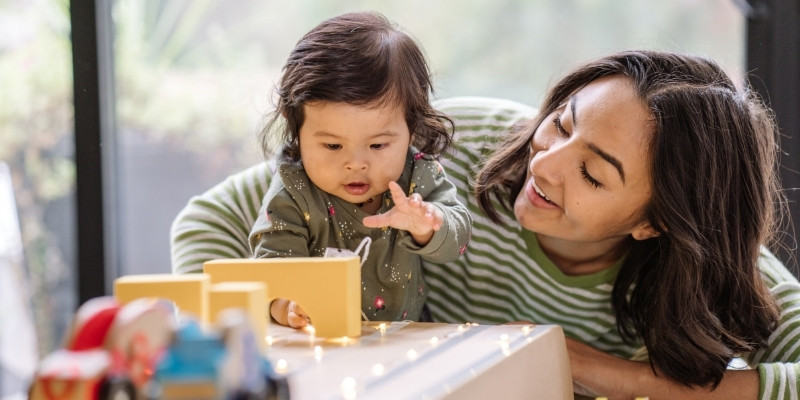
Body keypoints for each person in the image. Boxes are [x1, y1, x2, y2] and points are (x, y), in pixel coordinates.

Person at [170, 50, 800, 399]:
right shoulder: (449, 148)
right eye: (562, 121)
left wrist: (623, 377)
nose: (544, 163)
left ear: (656, 223)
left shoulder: (713, 266)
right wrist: (273, 337)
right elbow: (212, 220)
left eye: (594, 174)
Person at [248, 12, 471, 328]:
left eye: (378, 146)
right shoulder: (294, 190)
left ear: (412, 128)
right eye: (333, 146)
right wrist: (286, 305)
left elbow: (458, 239)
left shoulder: (418, 176)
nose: (355, 163)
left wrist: (426, 225)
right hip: (322, 337)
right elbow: (271, 265)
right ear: (297, 130)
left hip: (408, 337)